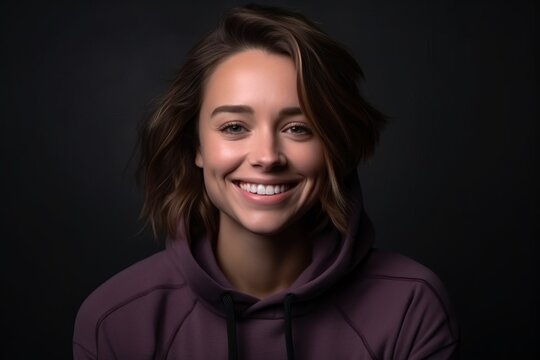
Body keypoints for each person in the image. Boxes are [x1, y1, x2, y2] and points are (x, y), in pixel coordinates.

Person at [73, 4, 459, 359]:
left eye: (298, 128)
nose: (267, 156)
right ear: (197, 146)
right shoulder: (116, 319)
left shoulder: (410, 305)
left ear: (334, 147)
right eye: (235, 127)